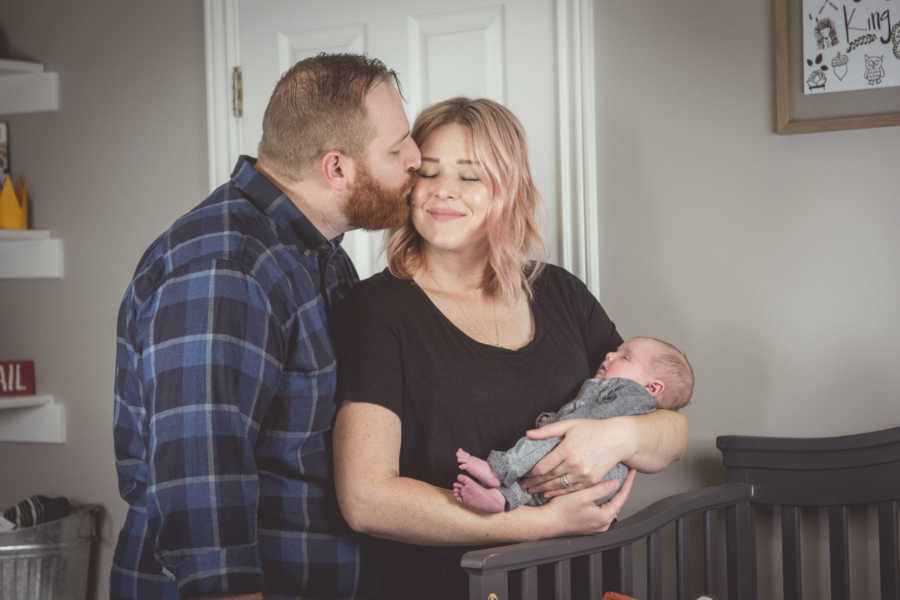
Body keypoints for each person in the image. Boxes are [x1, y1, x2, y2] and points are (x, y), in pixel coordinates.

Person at [332, 97, 689, 599]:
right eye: (428, 173)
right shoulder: (376, 309)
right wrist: (538, 523)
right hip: (443, 586)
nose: (443, 193)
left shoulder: (561, 293)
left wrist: (617, 438)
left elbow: (670, 426)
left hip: (575, 581)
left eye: (470, 176)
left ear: (510, 189)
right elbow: (366, 499)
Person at [111, 53, 421, 599]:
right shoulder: (226, 268)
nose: (417, 159)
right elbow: (200, 478)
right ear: (337, 168)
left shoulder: (317, 256)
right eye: (397, 149)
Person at [453, 337, 694, 513]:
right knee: (539, 488)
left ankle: (499, 469)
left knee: (546, 439)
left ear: (652, 388)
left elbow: (590, 417)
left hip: (592, 469)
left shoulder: (630, 393)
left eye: (624, 357)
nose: (610, 355)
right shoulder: (632, 399)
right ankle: (503, 499)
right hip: (598, 488)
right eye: (615, 352)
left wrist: (557, 423)